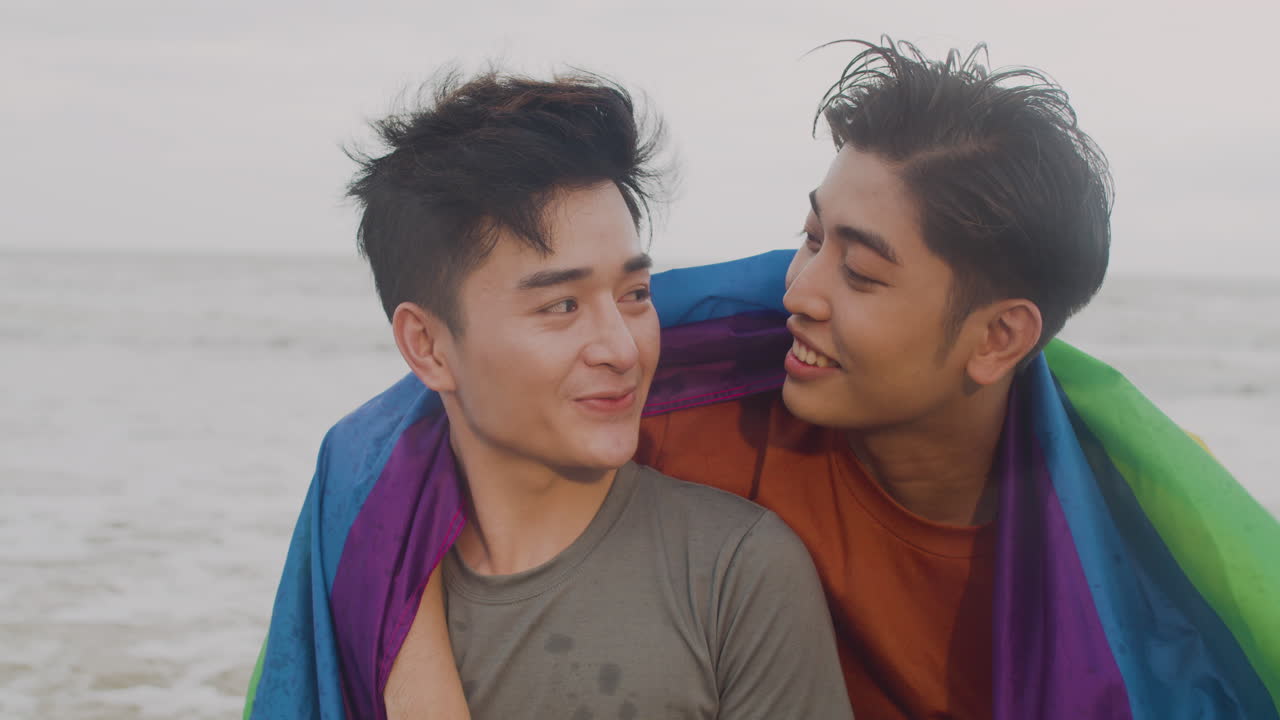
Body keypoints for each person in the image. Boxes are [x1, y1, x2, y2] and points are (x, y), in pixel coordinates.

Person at [249, 40, 1280, 720]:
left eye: (860, 270)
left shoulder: (1113, 556)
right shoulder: (697, 426)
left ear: (996, 337)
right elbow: (398, 455)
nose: (799, 290)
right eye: (808, 236)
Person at [243, 70, 853, 720]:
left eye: (635, 296)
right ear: (426, 346)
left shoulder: (738, 573)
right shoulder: (359, 577)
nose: (622, 348)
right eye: (562, 305)